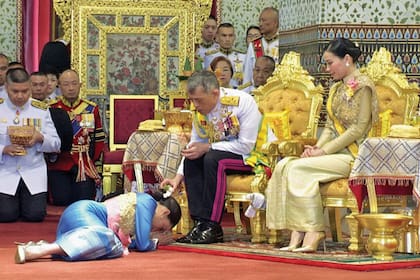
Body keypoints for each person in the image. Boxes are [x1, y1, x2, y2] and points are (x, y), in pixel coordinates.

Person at [249, 38, 378, 252]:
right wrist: (315, 149)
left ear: (347, 59)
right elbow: (329, 126)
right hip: (333, 154)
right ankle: (296, 231)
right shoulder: (337, 88)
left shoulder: (363, 86)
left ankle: (313, 230)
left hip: (356, 155)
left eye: (330, 63)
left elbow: (358, 129)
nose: (327, 69)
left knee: (298, 168)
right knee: (285, 166)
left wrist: (323, 151)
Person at [160, 70, 262, 244]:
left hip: (252, 156)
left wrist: (208, 147)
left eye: (198, 100)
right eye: (192, 100)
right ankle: (200, 223)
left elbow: (246, 145)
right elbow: (194, 147)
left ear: (215, 93)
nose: (195, 105)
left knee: (212, 158)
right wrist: (177, 177)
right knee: (196, 159)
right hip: (218, 153)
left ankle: (212, 225)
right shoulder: (200, 112)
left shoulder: (242, 102)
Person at [14, 191, 181, 264]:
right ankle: (44, 249)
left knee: (113, 247)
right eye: (162, 227)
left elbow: (132, 243)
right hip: (84, 212)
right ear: (165, 212)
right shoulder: (148, 202)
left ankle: (48, 248)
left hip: (86, 222)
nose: (157, 230)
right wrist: (155, 242)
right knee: (111, 242)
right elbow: (143, 244)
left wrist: (152, 240)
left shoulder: (144, 208)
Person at [0, 68, 61, 222]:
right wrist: (4, 149)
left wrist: (40, 138)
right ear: (7, 87)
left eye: (25, 91)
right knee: (6, 215)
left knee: (35, 216)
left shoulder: (40, 110)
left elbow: (56, 144)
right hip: (5, 171)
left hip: (33, 171)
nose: (20, 96)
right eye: (15, 91)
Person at [48, 69, 105, 206]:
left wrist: (95, 165)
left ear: (80, 85)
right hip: (60, 163)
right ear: (59, 86)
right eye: (66, 84)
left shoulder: (91, 109)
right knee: (61, 200)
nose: (71, 88)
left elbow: (98, 140)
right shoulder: (51, 108)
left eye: (74, 84)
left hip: (84, 165)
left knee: (84, 200)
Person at [29, 71, 73, 165]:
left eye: (42, 84)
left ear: (48, 86)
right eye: (34, 85)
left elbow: (65, 143)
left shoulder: (58, 111)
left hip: (56, 162)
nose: (38, 88)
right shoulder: (20, 108)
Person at [243, 7, 280, 86]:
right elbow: (247, 75)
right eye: (259, 21)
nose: (260, 24)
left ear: (275, 23)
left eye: (263, 20)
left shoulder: (284, 43)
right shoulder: (254, 45)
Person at [203, 23, 245, 88]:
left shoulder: (243, 57)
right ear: (217, 37)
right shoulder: (209, 57)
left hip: (237, 93)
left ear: (234, 37)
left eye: (230, 35)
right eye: (224, 35)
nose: (227, 39)